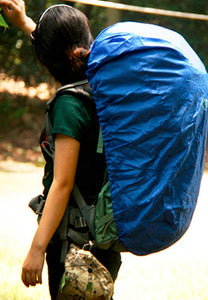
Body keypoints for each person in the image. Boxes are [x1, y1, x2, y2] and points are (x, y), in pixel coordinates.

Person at [0, 1, 121, 299]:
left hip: (74, 243)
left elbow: (63, 184)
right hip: (102, 236)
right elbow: (63, 54)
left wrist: (36, 248)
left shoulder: (69, 105)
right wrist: (27, 23)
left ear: (46, 60)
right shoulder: (101, 86)